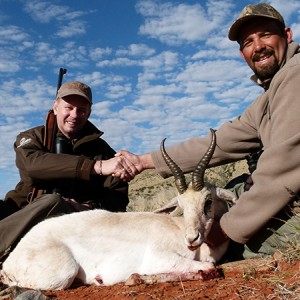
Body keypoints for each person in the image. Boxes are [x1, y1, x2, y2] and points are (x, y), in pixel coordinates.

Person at [118, 3, 300, 260]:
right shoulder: (270, 94)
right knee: (227, 192)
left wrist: (225, 231)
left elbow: (283, 168)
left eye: (265, 34)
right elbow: (221, 141)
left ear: (287, 35)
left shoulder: (295, 75)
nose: (257, 46)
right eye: (248, 41)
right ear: (242, 53)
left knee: (227, 250)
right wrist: (143, 161)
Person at [0, 81, 133, 262]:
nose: (74, 115)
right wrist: (96, 167)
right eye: (68, 107)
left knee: (52, 201)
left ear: (89, 112)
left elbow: (117, 199)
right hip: (19, 210)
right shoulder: (32, 137)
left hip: (67, 224)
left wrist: (89, 208)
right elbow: (31, 166)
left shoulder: (103, 151)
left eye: (81, 110)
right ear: (55, 107)